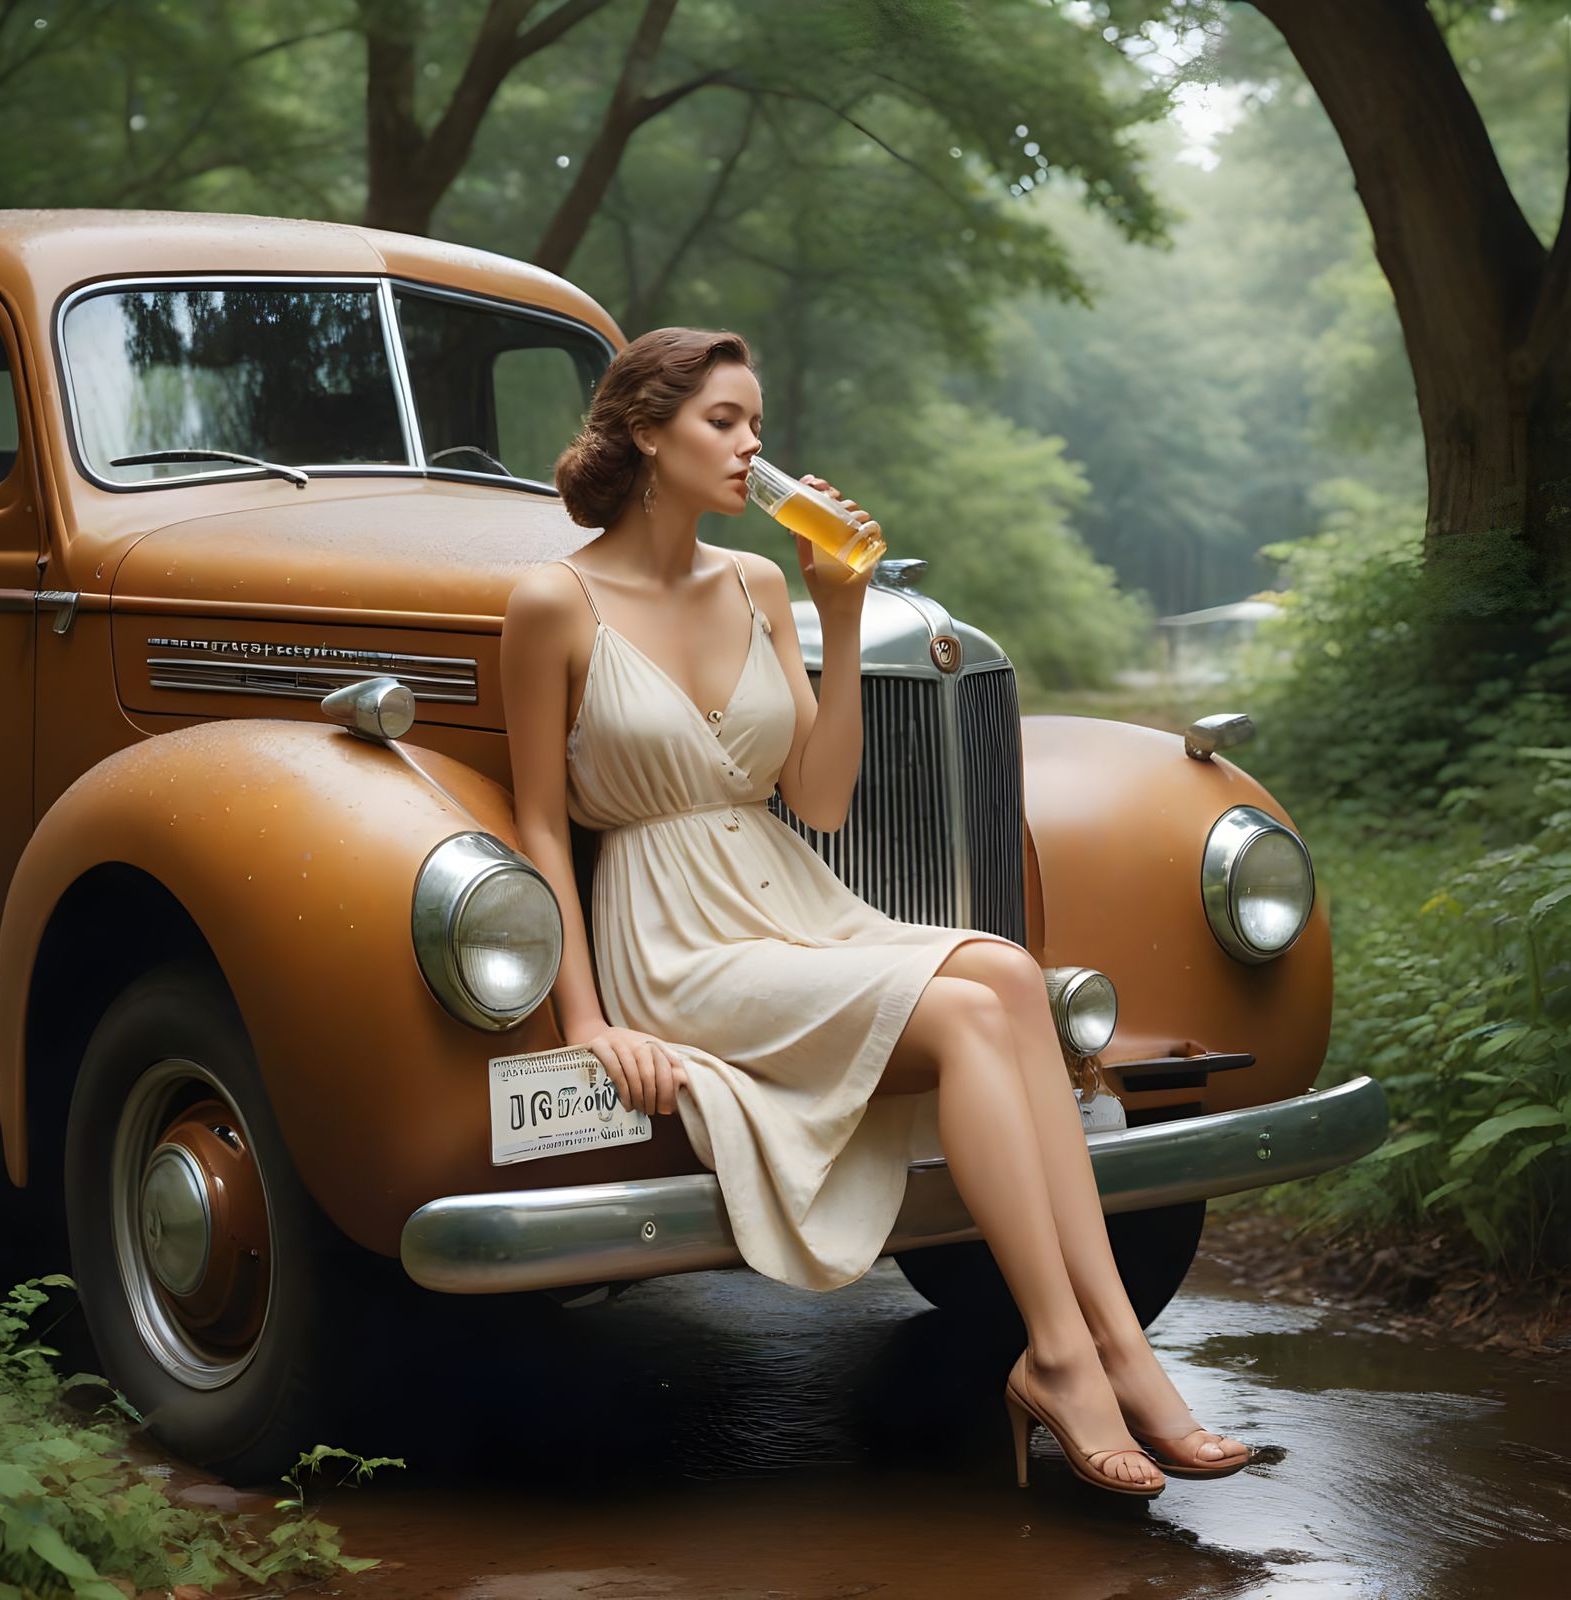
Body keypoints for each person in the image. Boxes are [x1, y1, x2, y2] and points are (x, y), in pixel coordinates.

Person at [499, 326, 1251, 1498]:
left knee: (1003, 971)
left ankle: (1116, 1348)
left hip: (790, 894)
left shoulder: (754, 581)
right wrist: (588, 1021)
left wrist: (837, 615)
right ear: (647, 431)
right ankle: (1060, 1353)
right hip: (670, 936)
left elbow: (821, 797)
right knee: (964, 1016)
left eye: (755, 422)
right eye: (724, 422)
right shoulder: (552, 601)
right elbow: (542, 825)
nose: (753, 446)